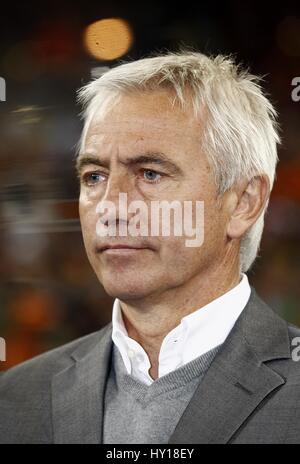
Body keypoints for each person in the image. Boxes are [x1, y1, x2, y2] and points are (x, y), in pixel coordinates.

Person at [1, 50, 300, 444]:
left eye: (150, 174)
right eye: (94, 176)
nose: (110, 207)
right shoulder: (16, 399)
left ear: (244, 202)